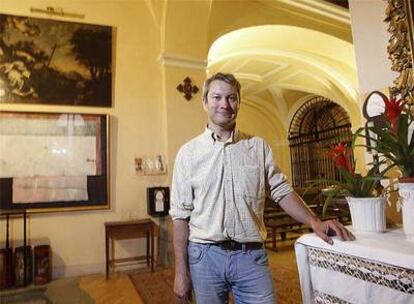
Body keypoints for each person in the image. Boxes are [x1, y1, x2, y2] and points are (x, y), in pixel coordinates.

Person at [169, 72, 354, 304]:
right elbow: (180, 216)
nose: (224, 104)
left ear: (239, 102)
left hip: (251, 257)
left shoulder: (258, 147)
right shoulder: (188, 154)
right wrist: (181, 271)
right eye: (217, 97)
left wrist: (314, 222)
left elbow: (281, 190)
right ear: (204, 102)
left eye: (231, 98)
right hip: (205, 257)